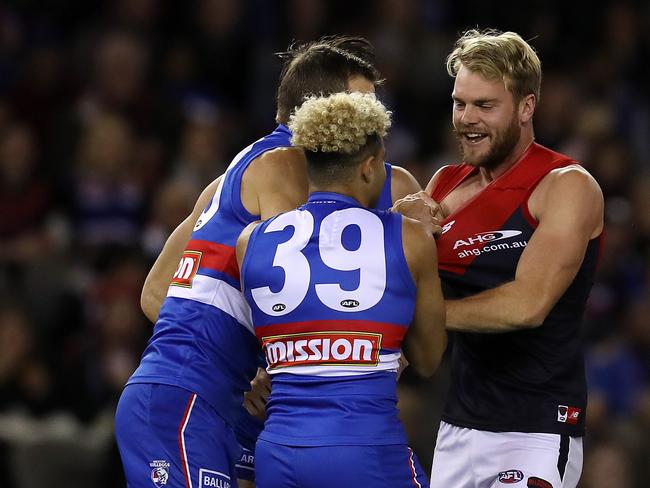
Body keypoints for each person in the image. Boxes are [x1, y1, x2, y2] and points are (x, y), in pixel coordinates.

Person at [115, 37, 424, 488]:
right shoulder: (283, 167)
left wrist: (252, 362)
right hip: (187, 400)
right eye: (361, 109)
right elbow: (313, 294)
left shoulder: (227, 180)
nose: (377, 125)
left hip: (209, 402)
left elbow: (156, 292)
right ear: (318, 113)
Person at [395, 29, 604, 488]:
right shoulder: (444, 185)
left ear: (527, 107)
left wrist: (423, 314)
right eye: (459, 103)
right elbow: (404, 303)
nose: (466, 119)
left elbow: (528, 304)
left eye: (484, 105)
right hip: (456, 428)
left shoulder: (566, 185)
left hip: (537, 430)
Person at [237, 91, 446, 488]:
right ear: (368, 167)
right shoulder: (408, 238)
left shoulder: (251, 241)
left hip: (278, 453)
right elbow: (429, 358)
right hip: (365, 449)